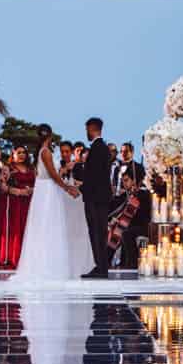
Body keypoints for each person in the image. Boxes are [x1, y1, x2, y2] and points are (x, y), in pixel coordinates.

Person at [10, 124, 93, 282]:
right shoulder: (46, 152)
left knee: (46, 226)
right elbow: (53, 175)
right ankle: (47, 267)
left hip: (45, 189)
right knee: (49, 226)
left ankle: (46, 263)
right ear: (49, 135)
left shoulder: (42, 151)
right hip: (48, 190)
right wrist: (67, 188)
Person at [79, 117, 114, 279]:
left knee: (97, 232)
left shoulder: (98, 149)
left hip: (95, 198)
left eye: (87, 129)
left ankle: (101, 267)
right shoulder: (102, 148)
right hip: (99, 197)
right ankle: (100, 266)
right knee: (98, 232)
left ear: (92, 129)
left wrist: (80, 188)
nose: (86, 133)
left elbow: (94, 176)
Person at [0, 146, 36, 268]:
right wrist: (19, 192)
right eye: (19, 152)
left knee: (27, 229)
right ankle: (11, 258)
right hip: (12, 204)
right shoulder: (8, 168)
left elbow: (38, 184)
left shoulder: (31, 169)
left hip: (28, 203)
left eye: (24, 152)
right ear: (13, 154)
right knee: (15, 229)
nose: (22, 155)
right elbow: (3, 187)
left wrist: (31, 190)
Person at [106, 171, 153, 271]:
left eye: (126, 180)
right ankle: (110, 259)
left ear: (134, 181)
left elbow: (138, 215)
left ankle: (131, 263)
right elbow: (116, 205)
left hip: (143, 226)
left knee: (124, 232)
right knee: (118, 230)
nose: (124, 183)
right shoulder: (127, 194)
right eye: (123, 181)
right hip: (130, 225)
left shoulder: (143, 193)